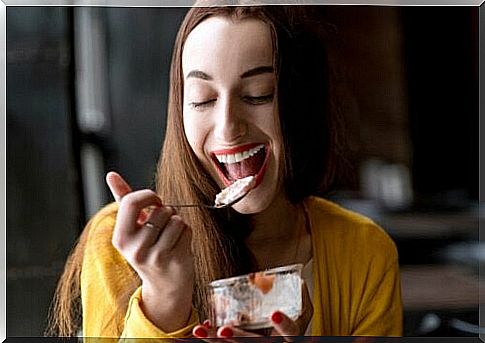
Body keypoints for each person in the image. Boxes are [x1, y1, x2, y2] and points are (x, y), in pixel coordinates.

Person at [47, 4, 402, 339]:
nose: (228, 127)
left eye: (259, 94)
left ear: (302, 106)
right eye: (202, 98)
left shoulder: (363, 251)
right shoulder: (122, 246)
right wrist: (162, 301)